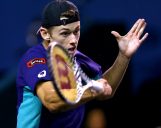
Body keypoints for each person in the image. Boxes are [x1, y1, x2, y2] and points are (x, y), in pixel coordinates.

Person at [16, 0, 148, 127]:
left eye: (76, 31)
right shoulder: (34, 59)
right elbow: (52, 101)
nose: (73, 39)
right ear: (45, 34)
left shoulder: (79, 58)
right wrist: (93, 90)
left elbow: (106, 88)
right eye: (65, 33)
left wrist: (123, 56)